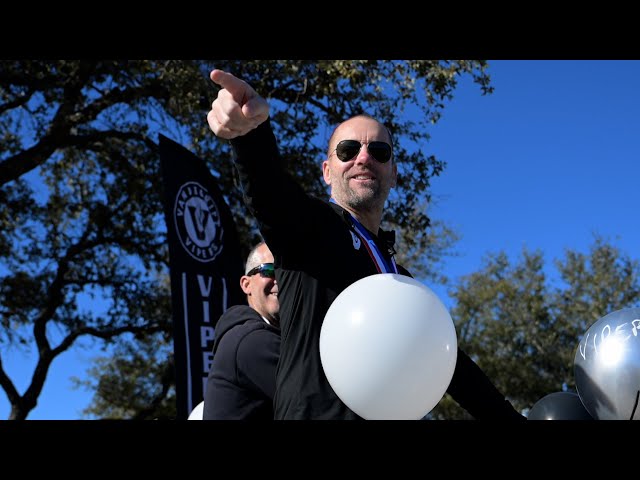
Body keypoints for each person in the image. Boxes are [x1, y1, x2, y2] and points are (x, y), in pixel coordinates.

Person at [206, 69, 525, 421]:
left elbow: (451, 365)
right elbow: (271, 196)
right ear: (328, 171)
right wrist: (251, 134)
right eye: (348, 149)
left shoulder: (398, 279)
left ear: (394, 172)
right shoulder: (311, 231)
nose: (363, 157)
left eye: (379, 150)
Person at [202, 241, 280, 420]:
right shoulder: (251, 340)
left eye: (285, 273)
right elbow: (314, 398)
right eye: (269, 270)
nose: (280, 280)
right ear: (246, 284)